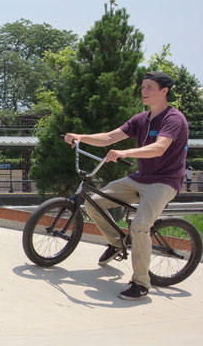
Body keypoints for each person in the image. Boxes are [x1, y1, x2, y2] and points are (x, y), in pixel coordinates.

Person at [65, 70, 189, 301]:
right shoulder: (141, 119)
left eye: (149, 87)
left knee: (140, 225)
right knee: (93, 203)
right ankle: (116, 242)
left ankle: (141, 283)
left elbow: (159, 148)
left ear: (165, 91)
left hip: (164, 182)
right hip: (141, 177)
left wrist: (125, 152)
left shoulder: (174, 119)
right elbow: (110, 137)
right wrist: (79, 137)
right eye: (142, 87)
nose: (143, 91)